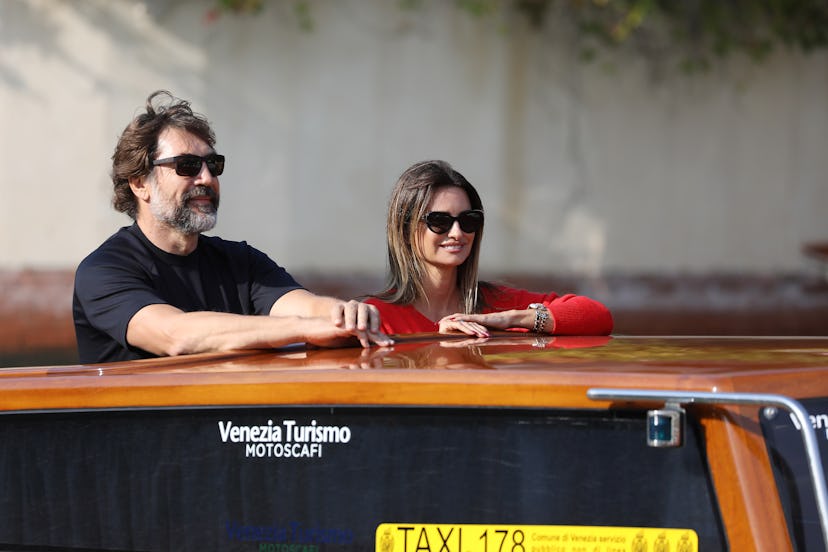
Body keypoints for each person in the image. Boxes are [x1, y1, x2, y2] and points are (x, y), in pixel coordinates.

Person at [73, 90, 392, 364]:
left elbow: (307, 307)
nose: (207, 178)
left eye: (213, 165)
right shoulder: (103, 271)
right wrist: (305, 328)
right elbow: (175, 336)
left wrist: (344, 315)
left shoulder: (242, 262)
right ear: (140, 183)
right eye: (187, 166)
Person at [365, 160, 613, 337]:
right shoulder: (376, 316)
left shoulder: (498, 305)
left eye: (468, 220)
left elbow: (597, 315)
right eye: (439, 221)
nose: (457, 233)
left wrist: (507, 319)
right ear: (405, 231)